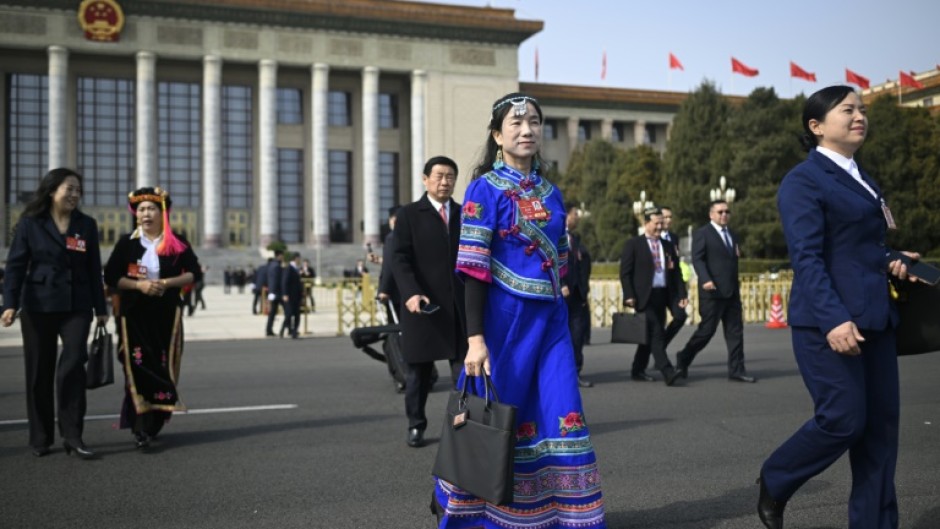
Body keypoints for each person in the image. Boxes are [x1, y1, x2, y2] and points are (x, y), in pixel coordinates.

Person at [433, 93, 606, 527]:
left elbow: (561, 261)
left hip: (550, 324)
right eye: (515, 123)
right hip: (503, 325)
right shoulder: (484, 190)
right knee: (495, 418)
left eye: (534, 122)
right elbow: (473, 270)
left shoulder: (552, 193)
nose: (527, 130)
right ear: (497, 135)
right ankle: (474, 514)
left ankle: (565, 516)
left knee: (561, 414)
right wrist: (475, 339)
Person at [757, 86, 920, 529]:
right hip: (827, 323)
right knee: (843, 420)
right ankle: (776, 477)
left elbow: (859, 248)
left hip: (876, 319)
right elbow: (807, 257)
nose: (859, 116)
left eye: (862, 110)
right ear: (816, 126)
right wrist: (834, 319)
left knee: (880, 434)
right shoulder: (803, 180)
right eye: (847, 110)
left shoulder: (863, 177)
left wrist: (893, 259)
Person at [1, 168, 109, 459]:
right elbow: (15, 267)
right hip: (38, 305)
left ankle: (73, 435)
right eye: (69, 188)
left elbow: (93, 268)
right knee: (39, 370)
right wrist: (9, 304)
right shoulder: (30, 224)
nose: (74, 194)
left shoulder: (86, 224)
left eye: (77, 190)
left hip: (77, 305)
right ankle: (41, 436)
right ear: (51, 191)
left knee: (73, 365)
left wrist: (101, 308)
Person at [104, 187, 200, 450]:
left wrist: (166, 283)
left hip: (166, 315)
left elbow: (194, 272)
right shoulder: (127, 243)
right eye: (141, 209)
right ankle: (140, 425)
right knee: (136, 365)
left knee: (162, 365)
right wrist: (139, 286)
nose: (145, 213)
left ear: (163, 213)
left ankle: (155, 420)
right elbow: (111, 276)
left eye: (151, 208)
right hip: (134, 316)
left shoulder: (177, 243)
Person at [391, 156, 466, 448]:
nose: (445, 182)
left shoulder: (465, 214)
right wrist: (411, 292)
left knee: (464, 372)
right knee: (418, 374)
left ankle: (462, 425)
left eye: (450, 177)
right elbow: (399, 258)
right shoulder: (409, 214)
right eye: (439, 176)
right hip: (422, 307)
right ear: (425, 179)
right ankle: (416, 424)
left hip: (459, 308)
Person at [673, 199, 755, 383]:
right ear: (711, 215)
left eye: (727, 211)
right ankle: (683, 357)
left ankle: (737, 370)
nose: (724, 215)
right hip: (712, 293)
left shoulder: (732, 234)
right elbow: (698, 259)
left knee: (735, 332)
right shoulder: (703, 233)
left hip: (731, 292)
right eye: (720, 212)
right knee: (706, 332)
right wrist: (706, 279)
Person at [620, 207, 687, 386]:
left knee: (678, 318)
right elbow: (625, 273)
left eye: (661, 223)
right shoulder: (633, 244)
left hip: (664, 294)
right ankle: (668, 371)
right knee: (655, 332)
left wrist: (682, 294)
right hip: (644, 297)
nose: (660, 227)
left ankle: (637, 369)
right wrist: (629, 295)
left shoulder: (667, 245)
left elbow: (676, 272)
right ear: (646, 223)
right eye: (656, 223)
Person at [562, 204, 594, 388]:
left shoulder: (575, 239)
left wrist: (583, 290)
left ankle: (575, 372)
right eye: (575, 214)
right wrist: (561, 284)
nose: (578, 217)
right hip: (560, 295)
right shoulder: (554, 236)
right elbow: (550, 262)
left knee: (577, 335)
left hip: (577, 296)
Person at [659, 205, 688, 346]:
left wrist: (683, 293)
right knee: (658, 324)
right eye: (665, 217)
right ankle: (657, 350)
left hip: (672, 288)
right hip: (657, 288)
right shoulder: (652, 238)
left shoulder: (674, 238)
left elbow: (677, 267)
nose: (668, 220)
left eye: (670, 217)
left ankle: (661, 344)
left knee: (680, 316)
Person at [377, 205, 402, 323]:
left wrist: (384, 289)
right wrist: (381, 260)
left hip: (395, 292)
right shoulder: (412, 236)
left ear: (393, 220)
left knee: (395, 327)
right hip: (411, 292)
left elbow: (390, 266)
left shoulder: (392, 238)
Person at [280, 252, 302, 339]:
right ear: (296, 258)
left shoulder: (296, 268)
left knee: (297, 315)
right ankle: (283, 329)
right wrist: (285, 294)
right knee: (289, 314)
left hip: (296, 296)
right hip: (290, 295)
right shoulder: (289, 268)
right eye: (299, 259)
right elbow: (284, 282)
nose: (300, 260)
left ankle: (294, 332)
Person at [264, 250, 284, 337]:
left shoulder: (271, 265)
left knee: (272, 312)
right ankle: (289, 329)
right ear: (279, 256)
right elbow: (276, 280)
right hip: (277, 293)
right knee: (288, 311)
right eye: (282, 256)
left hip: (273, 292)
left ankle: (269, 330)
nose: (283, 258)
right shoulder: (276, 266)